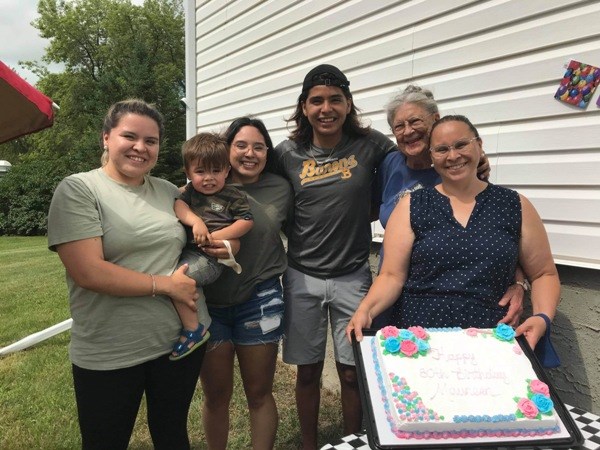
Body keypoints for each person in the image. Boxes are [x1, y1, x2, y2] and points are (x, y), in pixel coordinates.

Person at [47, 99, 206, 449]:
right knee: (105, 441)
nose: (140, 147)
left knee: (173, 435)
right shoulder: (79, 189)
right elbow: (89, 271)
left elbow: (213, 197)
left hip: (178, 344)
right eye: (129, 136)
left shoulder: (166, 190)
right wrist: (167, 286)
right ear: (106, 137)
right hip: (110, 350)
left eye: (151, 141)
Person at [347, 115, 560, 354]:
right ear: (431, 156)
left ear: (479, 145)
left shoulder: (514, 205)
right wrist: (366, 308)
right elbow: (391, 276)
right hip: (419, 338)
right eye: (441, 149)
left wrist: (542, 317)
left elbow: (544, 273)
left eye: (461, 144)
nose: (453, 156)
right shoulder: (411, 206)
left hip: (491, 337)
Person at [273, 64, 397, 449]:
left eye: (334, 100)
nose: (326, 109)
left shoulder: (371, 145)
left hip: (352, 276)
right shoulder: (286, 153)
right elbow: (245, 176)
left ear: (347, 104)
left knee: (349, 372)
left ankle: (352, 440)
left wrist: (475, 161)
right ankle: (309, 444)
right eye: (317, 101)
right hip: (302, 277)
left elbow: (414, 159)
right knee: (307, 372)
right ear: (304, 107)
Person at [372, 85, 525, 328]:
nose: (408, 131)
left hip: (440, 298)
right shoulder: (390, 163)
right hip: (390, 286)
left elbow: (496, 231)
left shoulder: (456, 167)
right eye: (399, 126)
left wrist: (518, 282)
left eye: (415, 122)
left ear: (435, 121)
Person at [198, 117, 293, 450]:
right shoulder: (203, 187)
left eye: (258, 146)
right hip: (210, 303)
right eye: (241, 145)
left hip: (260, 299)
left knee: (259, 392)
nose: (249, 153)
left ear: (267, 152)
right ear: (227, 149)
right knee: (216, 394)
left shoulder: (281, 188)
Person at [171, 132, 254, 360]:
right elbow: (179, 206)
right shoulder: (189, 193)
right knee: (175, 278)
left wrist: (216, 236)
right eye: (200, 172)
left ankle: (193, 329)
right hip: (190, 251)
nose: (209, 178)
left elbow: (246, 221)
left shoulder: (232, 194)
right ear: (188, 173)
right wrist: (196, 221)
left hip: (211, 258)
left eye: (216, 171)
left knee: (179, 281)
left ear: (227, 170)